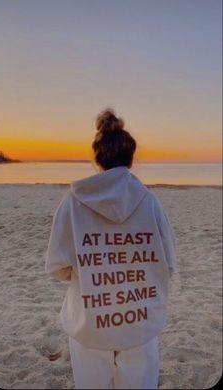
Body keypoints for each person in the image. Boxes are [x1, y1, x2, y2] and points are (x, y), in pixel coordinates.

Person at [45, 108, 176, 389]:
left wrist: (96, 272)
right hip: (139, 320)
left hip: (90, 321)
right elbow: (168, 265)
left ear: (97, 159)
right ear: (130, 159)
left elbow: (57, 267)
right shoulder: (149, 202)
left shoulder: (73, 201)